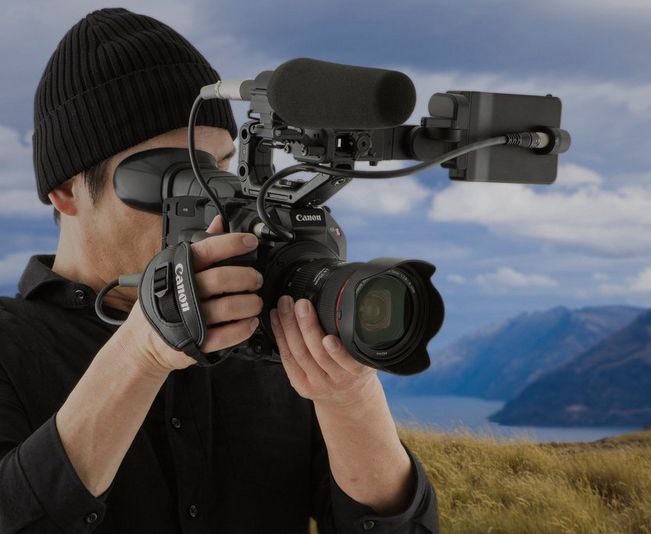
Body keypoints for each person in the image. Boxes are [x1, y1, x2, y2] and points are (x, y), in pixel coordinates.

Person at [0, 7, 438, 533]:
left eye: (222, 170)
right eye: (172, 178)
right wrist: (140, 354)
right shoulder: (10, 346)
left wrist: (350, 396)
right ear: (66, 191)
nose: (211, 202)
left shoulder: (269, 335)